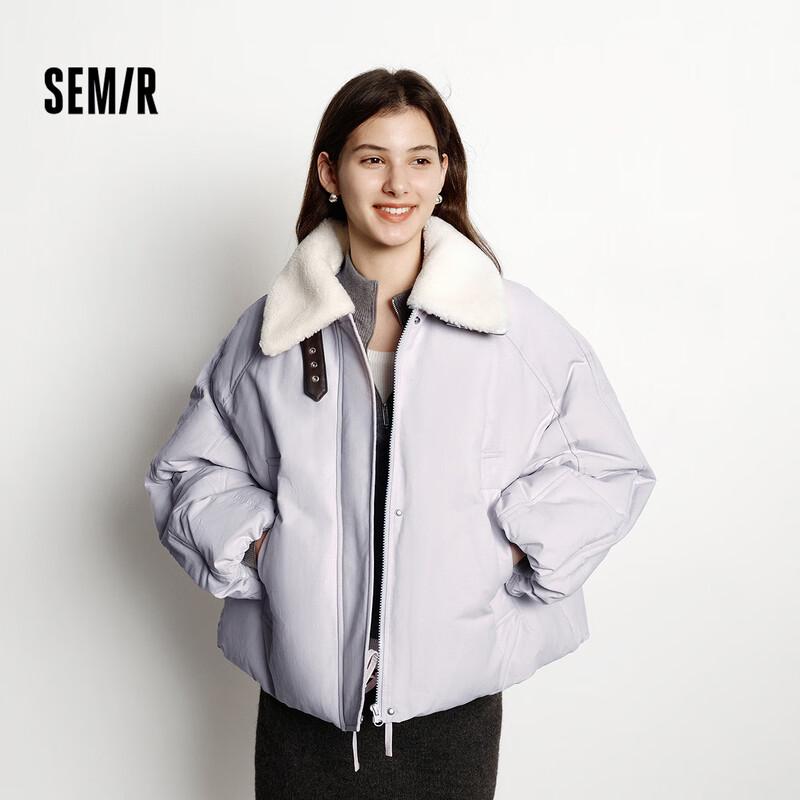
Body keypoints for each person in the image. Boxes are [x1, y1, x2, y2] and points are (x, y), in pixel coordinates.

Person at [144, 68, 657, 799]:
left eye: (419, 159)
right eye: (371, 158)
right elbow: (190, 469)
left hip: (451, 712)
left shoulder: (512, 327)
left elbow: (606, 466)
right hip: (303, 708)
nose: (397, 184)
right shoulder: (275, 331)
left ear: (444, 173)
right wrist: (266, 547)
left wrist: (502, 549)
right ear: (330, 173)